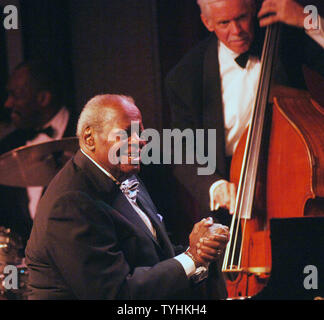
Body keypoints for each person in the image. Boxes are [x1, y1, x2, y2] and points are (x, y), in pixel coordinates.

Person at [25, 94, 230, 300]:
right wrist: (192, 256)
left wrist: (203, 249)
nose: (140, 141)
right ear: (89, 138)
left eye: (140, 133)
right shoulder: (70, 202)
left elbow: (157, 257)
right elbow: (115, 294)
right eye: (126, 134)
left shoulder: (126, 176)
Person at [165, 0, 324, 220]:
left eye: (241, 18)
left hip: (295, 177)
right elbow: (179, 147)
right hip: (234, 194)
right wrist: (215, 186)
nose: (237, 30)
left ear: (252, 9)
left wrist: (307, 19)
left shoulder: (283, 41)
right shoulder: (185, 75)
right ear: (207, 22)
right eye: (224, 23)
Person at [0, 60, 76, 247]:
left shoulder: (88, 138)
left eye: (15, 96)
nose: (7, 103)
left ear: (43, 99)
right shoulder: (6, 147)